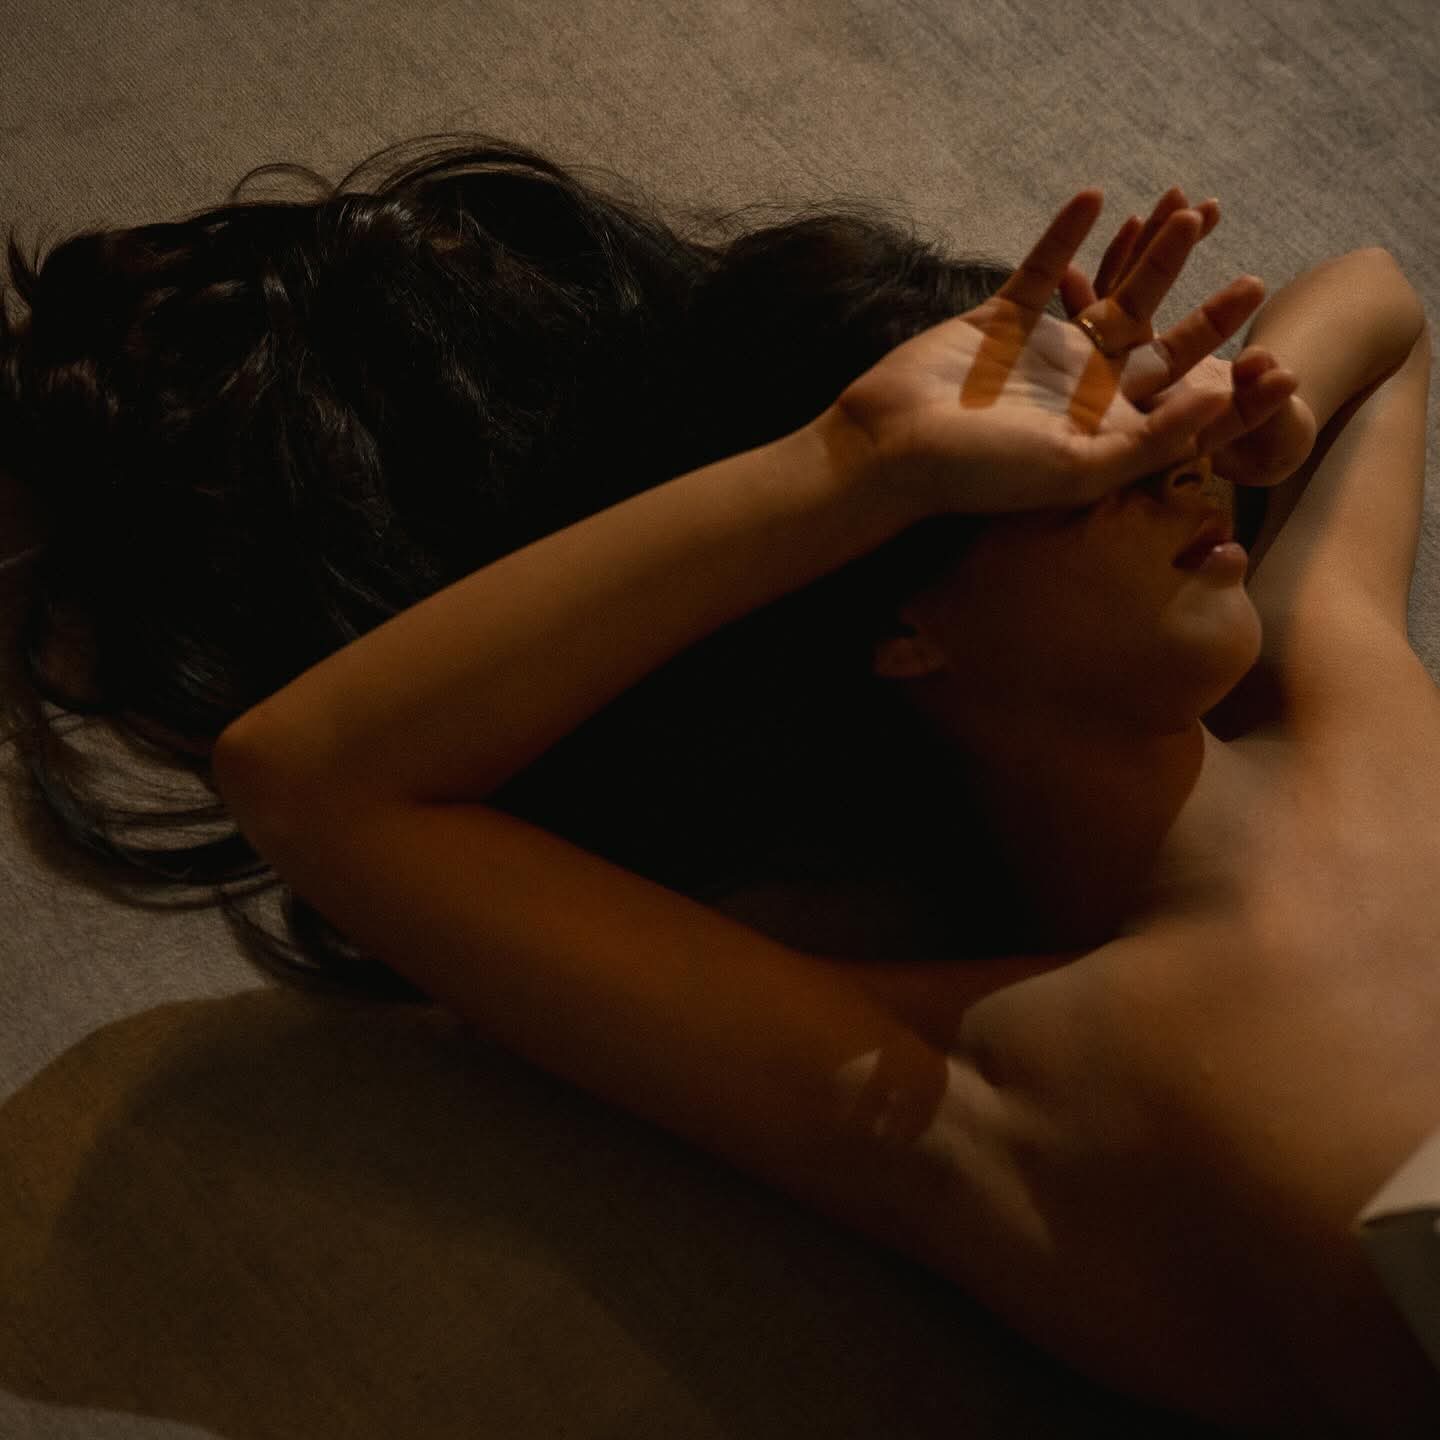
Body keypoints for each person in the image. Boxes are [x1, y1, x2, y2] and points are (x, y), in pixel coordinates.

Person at [3, 138, 1436, 1431]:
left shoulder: (1333, 692)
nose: (1166, 467)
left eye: (1141, 427)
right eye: (1078, 471)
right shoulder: (980, 1087)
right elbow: (312, 781)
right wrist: (851, 467)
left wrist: (1231, 409)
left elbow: (1381, 305)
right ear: (905, 627)